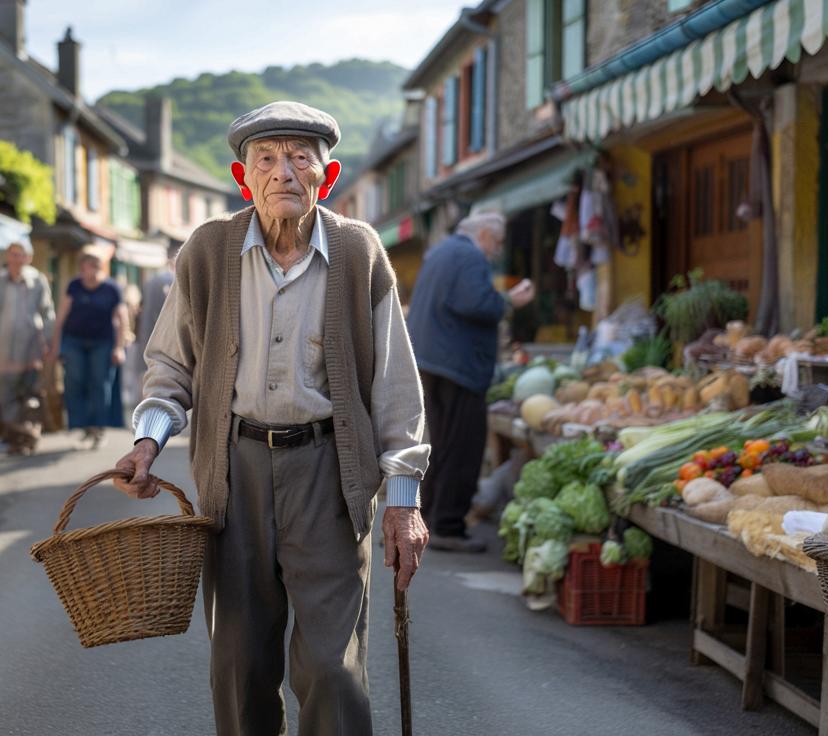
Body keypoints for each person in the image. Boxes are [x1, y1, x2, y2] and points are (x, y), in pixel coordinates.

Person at [115, 101, 430, 736]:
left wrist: (403, 499)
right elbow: (170, 364)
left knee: (333, 669)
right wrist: (147, 442)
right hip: (234, 472)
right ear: (244, 178)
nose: (283, 171)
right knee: (239, 663)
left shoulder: (358, 251)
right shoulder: (207, 251)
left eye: (298, 158)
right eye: (267, 159)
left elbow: (394, 382)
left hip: (330, 474)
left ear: (327, 175)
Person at [405, 212, 536, 552]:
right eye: (498, 241)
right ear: (484, 236)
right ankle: (448, 525)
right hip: (458, 365)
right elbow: (476, 303)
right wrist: (510, 301)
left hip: (434, 361)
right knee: (462, 449)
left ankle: (430, 518)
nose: (497, 249)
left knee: (444, 446)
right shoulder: (469, 256)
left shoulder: (442, 251)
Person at [0, 242, 56, 456]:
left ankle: (28, 437)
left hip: (31, 345)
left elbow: (48, 312)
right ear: (7, 256)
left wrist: (50, 342)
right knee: (7, 392)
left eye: (21, 255)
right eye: (13, 255)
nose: (17, 259)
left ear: (28, 258)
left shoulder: (37, 281)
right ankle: (12, 437)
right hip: (4, 346)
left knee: (29, 393)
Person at [52, 251, 128, 448]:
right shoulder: (74, 285)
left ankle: (98, 428)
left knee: (100, 383)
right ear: (81, 267)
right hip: (74, 341)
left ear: (100, 267)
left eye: (94, 265)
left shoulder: (112, 288)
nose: (90, 270)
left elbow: (122, 319)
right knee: (75, 381)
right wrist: (56, 345)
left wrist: (119, 347)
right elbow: (61, 316)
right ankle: (82, 426)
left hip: (102, 342)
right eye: (86, 265)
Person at [126, 244, 178, 406]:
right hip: (171, 334)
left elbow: (140, 308)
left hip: (147, 333)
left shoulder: (150, 282)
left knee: (147, 369)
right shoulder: (176, 280)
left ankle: (146, 405)